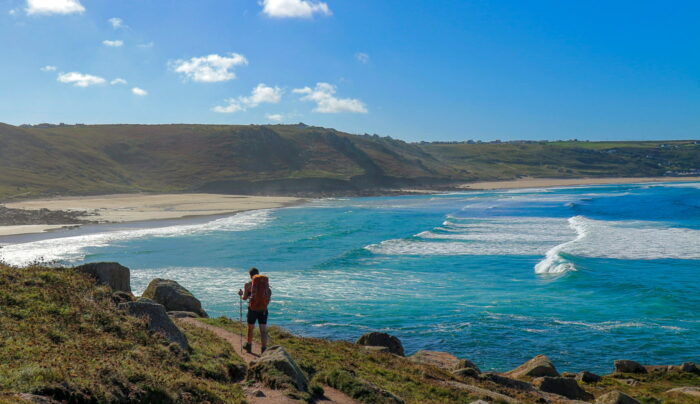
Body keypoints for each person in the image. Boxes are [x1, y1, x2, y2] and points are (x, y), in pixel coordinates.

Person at [238, 267, 271, 354]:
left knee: (250, 328)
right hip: (263, 309)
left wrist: (240, 295)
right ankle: (264, 349)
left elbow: (244, 298)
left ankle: (249, 346)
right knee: (263, 331)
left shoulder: (248, 285)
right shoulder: (265, 284)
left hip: (252, 309)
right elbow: (269, 295)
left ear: (250, 276)